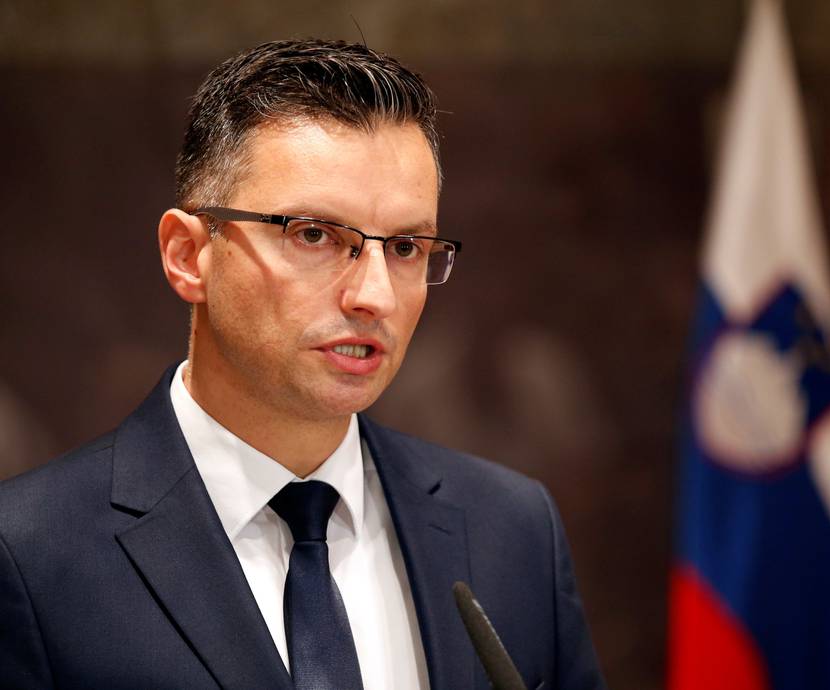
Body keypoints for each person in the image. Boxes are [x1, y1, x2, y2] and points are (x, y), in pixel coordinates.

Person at [0, 39, 606, 690]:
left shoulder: (511, 530)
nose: (373, 295)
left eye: (405, 246)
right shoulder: (29, 554)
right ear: (188, 254)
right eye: (314, 235)